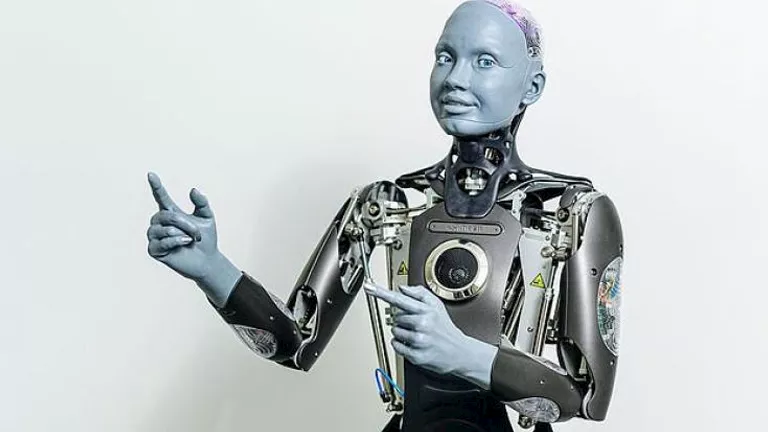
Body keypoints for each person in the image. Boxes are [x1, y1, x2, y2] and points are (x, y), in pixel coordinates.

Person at [145, 1, 624, 431]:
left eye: (485, 61)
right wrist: (212, 269)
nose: (455, 79)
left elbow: (587, 397)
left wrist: (462, 354)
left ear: (532, 86)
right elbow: (295, 345)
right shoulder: (388, 201)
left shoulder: (573, 209)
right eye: (445, 57)